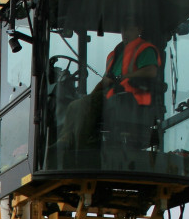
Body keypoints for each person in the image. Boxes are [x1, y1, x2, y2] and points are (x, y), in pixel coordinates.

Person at [57, 21, 162, 153]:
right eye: (123, 30)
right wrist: (90, 96)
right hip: (113, 97)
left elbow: (151, 71)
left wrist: (126, 76)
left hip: (131, 99)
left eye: (129, 30)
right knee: (76, 105)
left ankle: (79, 147)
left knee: (81, 106)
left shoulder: (144, 49)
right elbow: (106, 80)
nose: (125, 34)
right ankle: (67, 139)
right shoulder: (115, 54)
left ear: (139, 29)